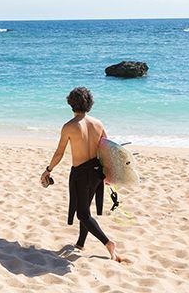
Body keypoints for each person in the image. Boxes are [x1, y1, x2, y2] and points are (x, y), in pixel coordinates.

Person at [40, 87, 122, 262]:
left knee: (82, 214)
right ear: (89, 103)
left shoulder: (69, 127)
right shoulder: (98, 124)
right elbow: (108, 150)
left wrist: (48, 170)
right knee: (85, 208)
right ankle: (80, 243)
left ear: (71, 103)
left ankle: (108, 243)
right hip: (96, 172)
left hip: (80, 173)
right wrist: (109, 174)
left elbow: (59, 153)